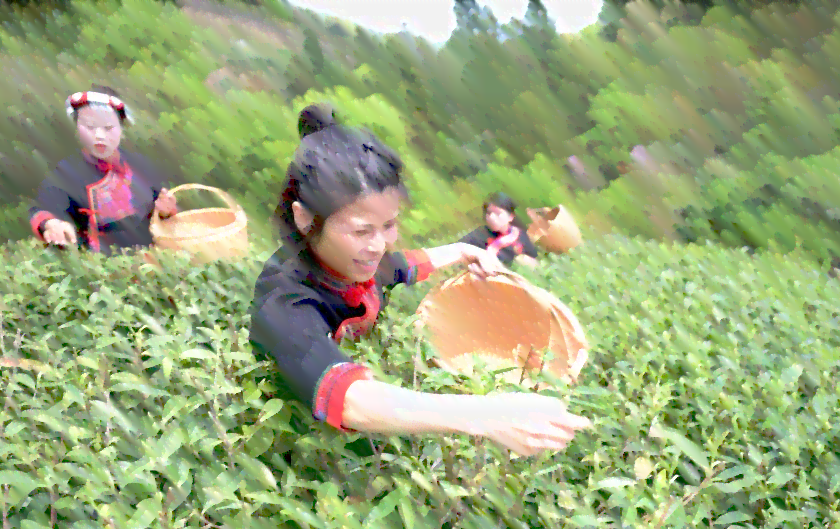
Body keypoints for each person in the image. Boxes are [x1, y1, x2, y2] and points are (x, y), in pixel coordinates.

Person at [249, 108, 589, 459]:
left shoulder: (354, 260)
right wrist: (487, 414)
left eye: (389, 225)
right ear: (305, 219)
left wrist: (461, 251)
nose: (379, 245)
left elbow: (402, 265)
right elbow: (347, 397)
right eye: (362, 230)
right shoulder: (283, 299)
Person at [28, 85, 179, 255]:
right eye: (90, 127)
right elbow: (44, 207)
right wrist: (51, 224)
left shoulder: (141, 166)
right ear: (77, 129)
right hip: (100, 270)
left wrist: (167, 211)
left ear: (122, 130)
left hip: (151, 262)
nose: (99, 135)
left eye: (108, 128)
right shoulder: (68, 173)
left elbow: (164, 211)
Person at [459, 192, 539, 269]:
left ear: (510, 217)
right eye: (489, 213)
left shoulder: (520, 236)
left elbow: (535, 261)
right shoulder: (478, 236)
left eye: (497, 213)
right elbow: (457, 248)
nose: (492, 217)